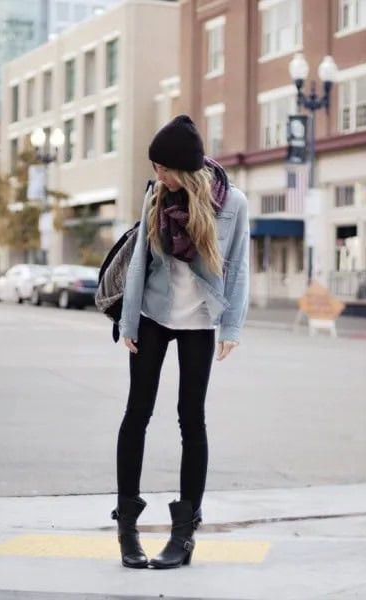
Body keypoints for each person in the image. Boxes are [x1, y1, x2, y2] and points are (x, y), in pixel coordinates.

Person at [111, 115, 249, 569]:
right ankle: (127, 528)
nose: (158, 177)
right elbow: (139, 264)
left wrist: (231, 327)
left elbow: (239, 266)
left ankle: (184, 535)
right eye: (154, 169)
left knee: (192, 419)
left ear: (184, 170)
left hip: (200, 320)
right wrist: (128, 320)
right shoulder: (155, 195)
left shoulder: (233, 205)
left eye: (163, 169)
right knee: (138, 413)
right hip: (153, 314)